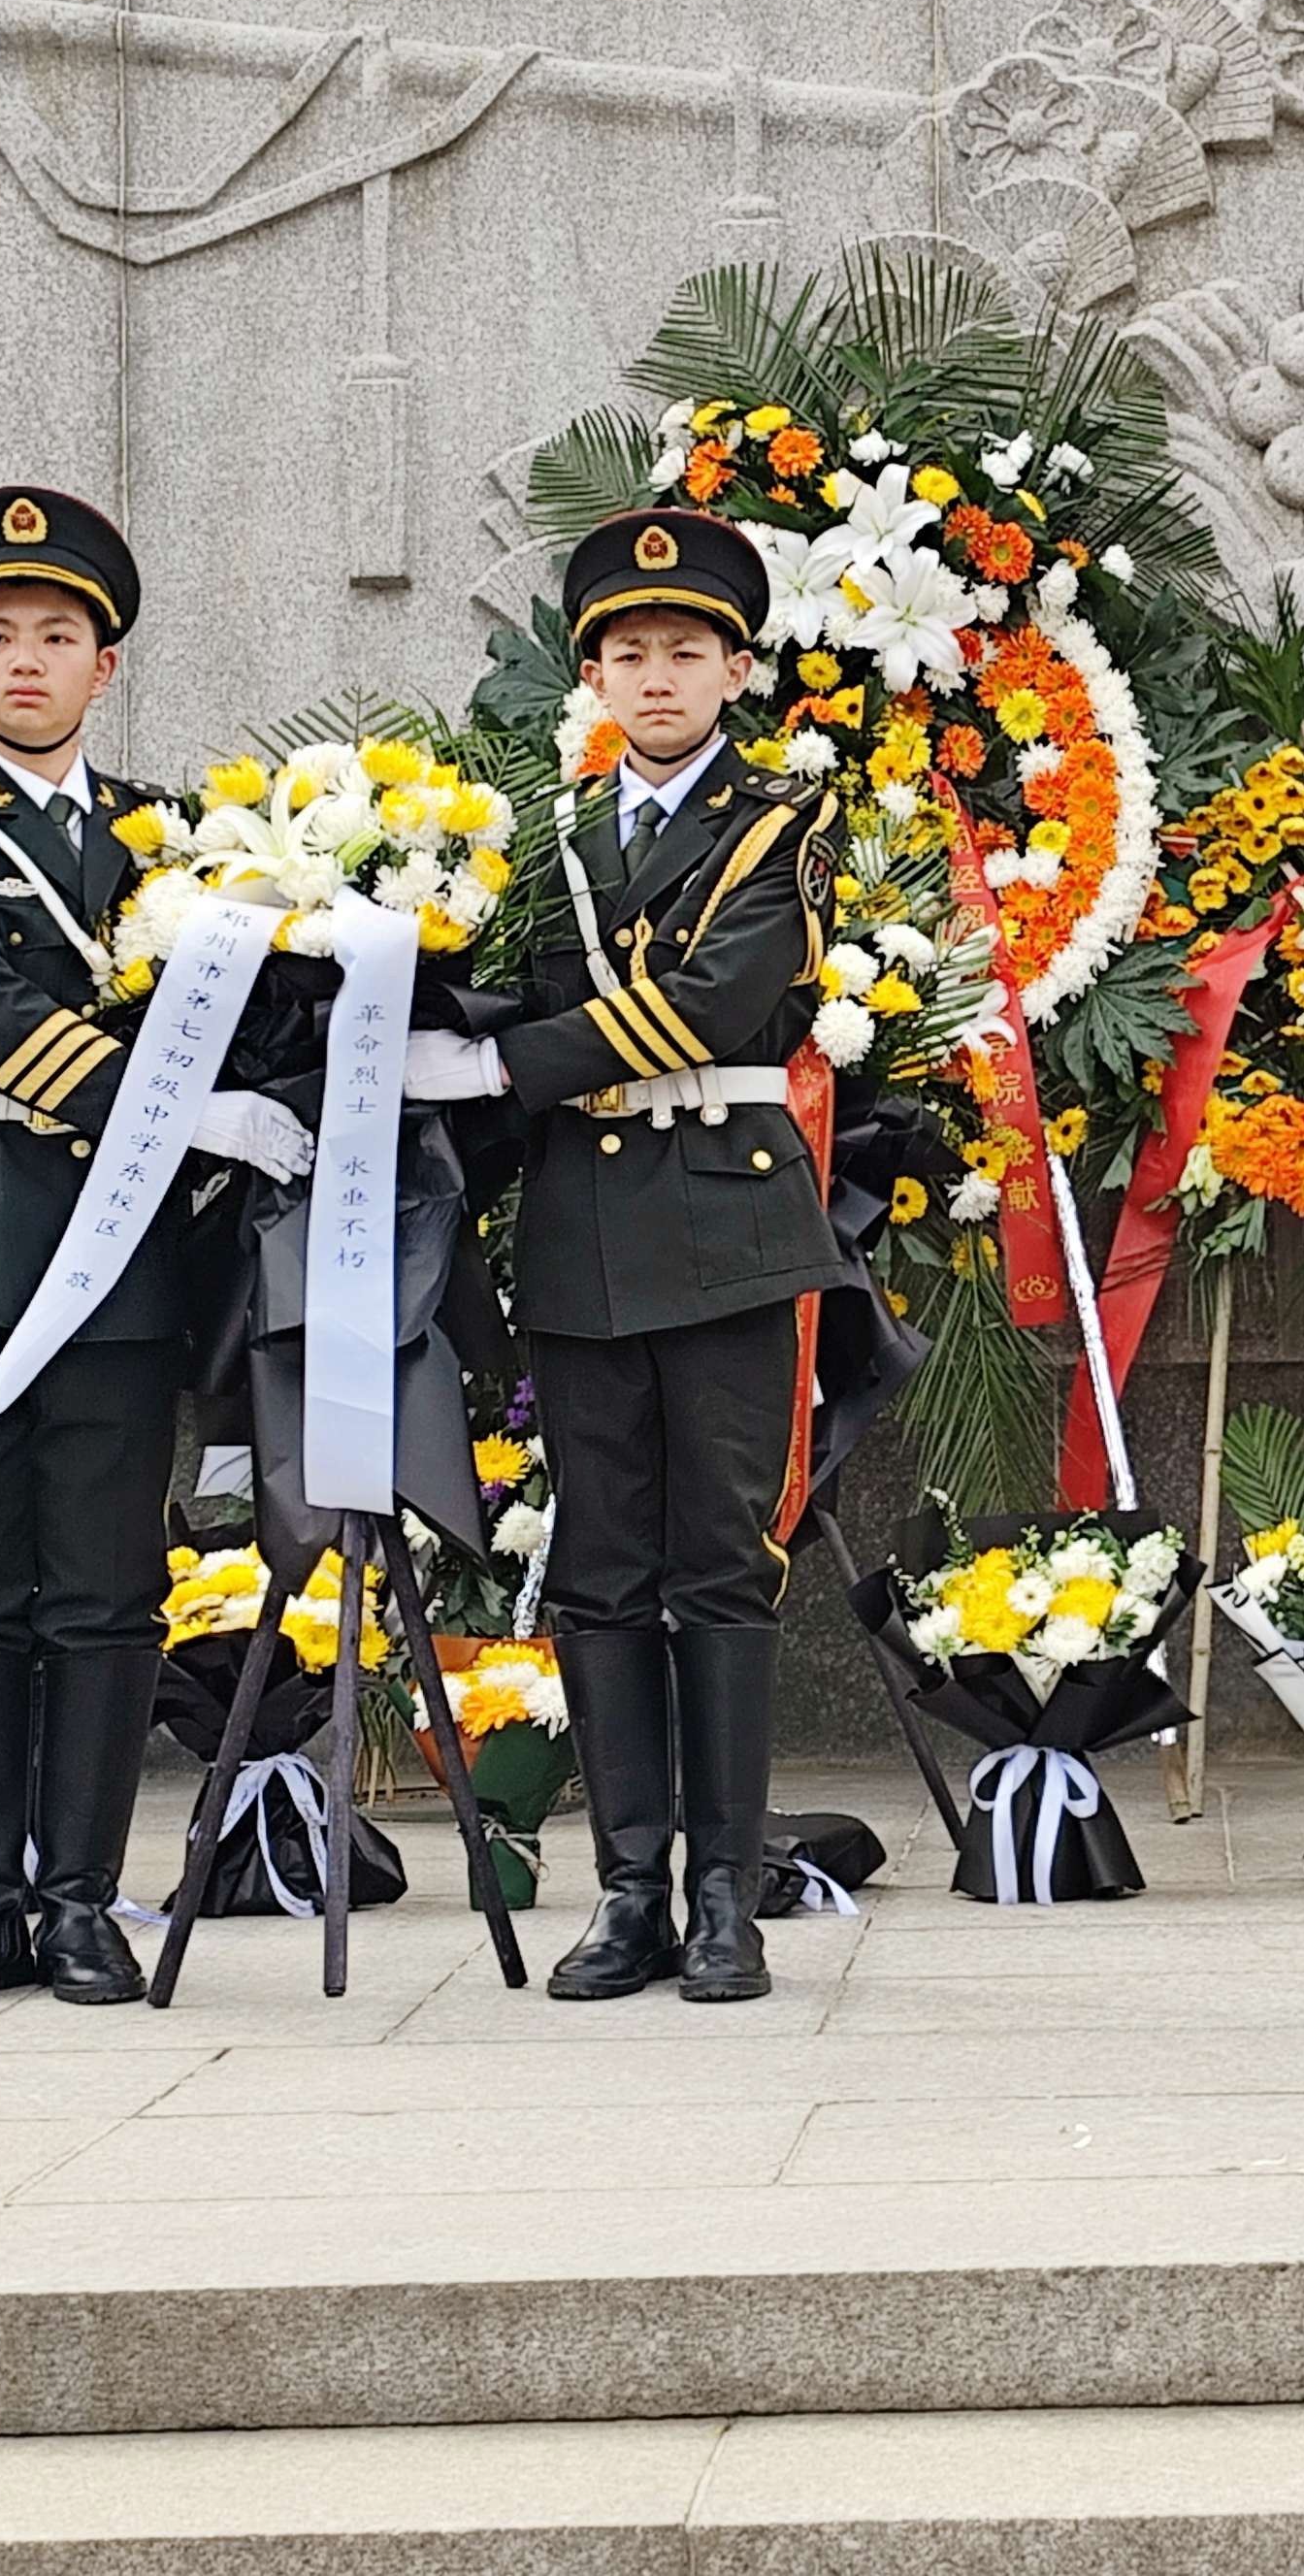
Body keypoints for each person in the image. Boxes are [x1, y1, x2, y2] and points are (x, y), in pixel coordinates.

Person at [0, 486, 315, 2010]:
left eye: (58, 635)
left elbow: (248, 1004)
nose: (27, 659)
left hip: (120, 1265)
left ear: (104, 665)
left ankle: (80, 1899)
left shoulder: (175, 837)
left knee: (108, 1588)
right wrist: (182, 1111)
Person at [398, 508, 842, 2005]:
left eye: (687, 651)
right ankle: (630, 1890)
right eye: (630, 652)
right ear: (591, 673)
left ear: (736, 670)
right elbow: (498, 983)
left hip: (724, 1222)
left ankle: (726, 1896)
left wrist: (500, 1066)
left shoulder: (782, 823)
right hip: (586, 1233)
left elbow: (712, 1002)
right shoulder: (546, 839)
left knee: (719, 1564)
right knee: (597, 1568)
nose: (658, 676)